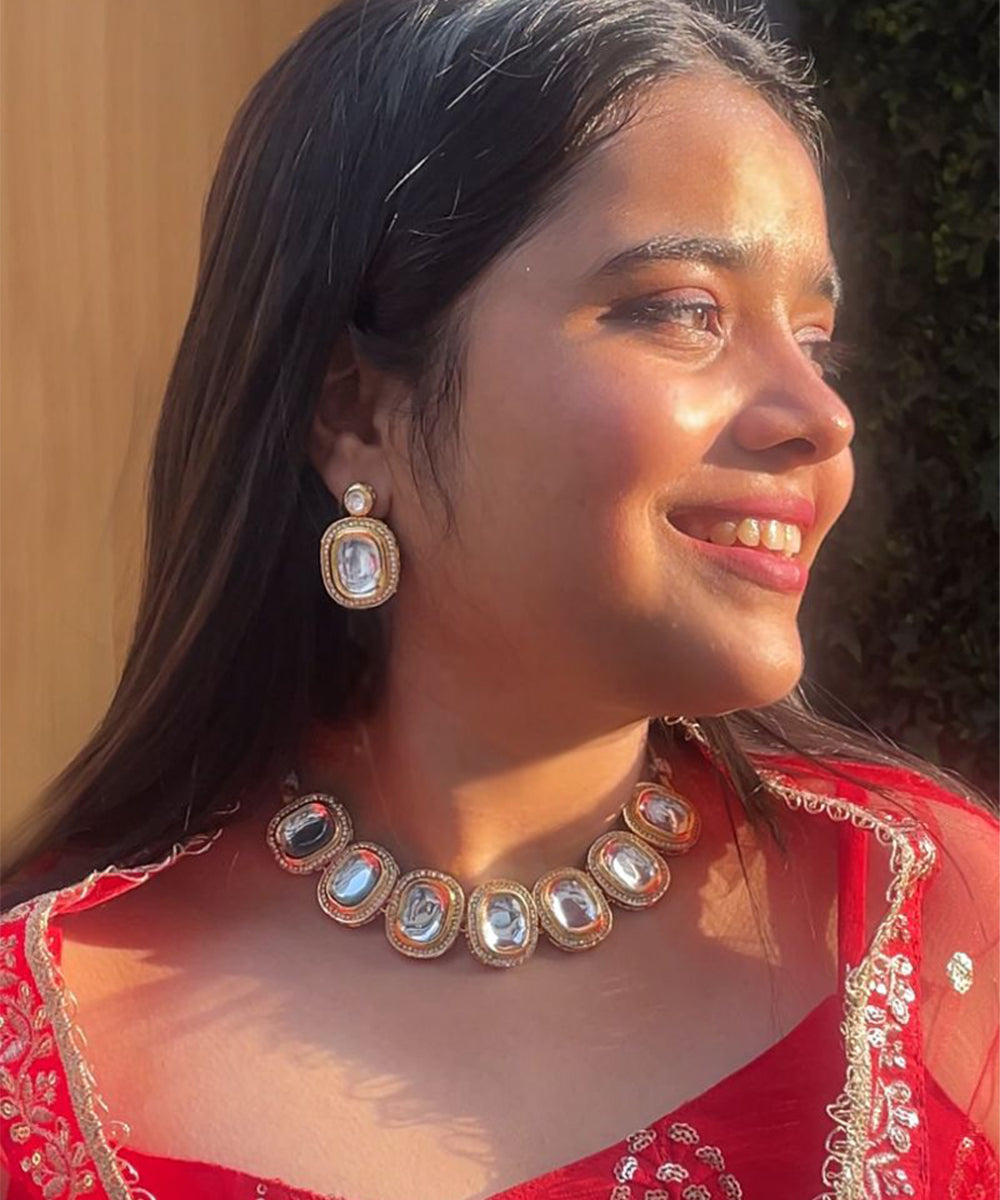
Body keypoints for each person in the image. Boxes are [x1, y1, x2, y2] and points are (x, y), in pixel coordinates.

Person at [1, 1, 996, 1197]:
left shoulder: (938, 926)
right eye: (686, 311)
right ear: (355, 411)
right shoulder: (40, 1038)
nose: (821, 418)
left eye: (815, 338)